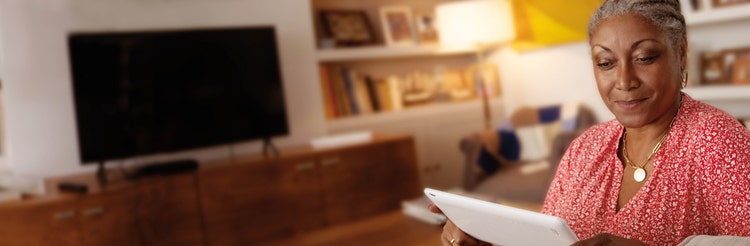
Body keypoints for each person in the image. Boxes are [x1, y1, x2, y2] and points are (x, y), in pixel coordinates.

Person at [430, 0, 750, 245]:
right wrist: (485, 238)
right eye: (606, 62)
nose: (624, 80)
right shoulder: (586, 146)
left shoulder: (716, 139)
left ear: (681, 53)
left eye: (644, 57)